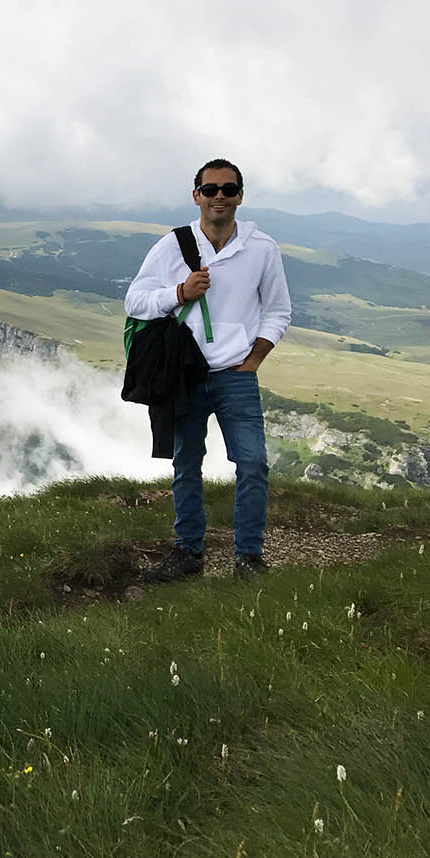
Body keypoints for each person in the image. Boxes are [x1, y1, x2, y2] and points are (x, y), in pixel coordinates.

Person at [124, 159, 292, 580]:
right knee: (186, 462)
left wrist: (253, 361)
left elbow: (278, 310)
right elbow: (135, 301)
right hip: (184, 374)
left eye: (229, 190)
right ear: (196, 194)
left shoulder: (261, 249)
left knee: (253, 463)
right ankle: (188, 554)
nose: (220, 197)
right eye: (211, 189)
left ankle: (249, 557)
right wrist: (179, 293)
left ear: (240, 196)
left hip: (235, 375)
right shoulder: (173, 246)